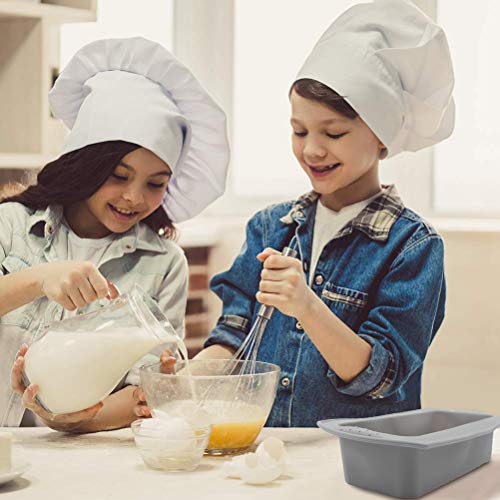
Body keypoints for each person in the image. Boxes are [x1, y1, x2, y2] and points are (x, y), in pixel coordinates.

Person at [136, 0, 454, 426]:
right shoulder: (270, 228)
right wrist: (178, 389)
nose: (311, 149)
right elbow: (233, 340)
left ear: (382, 136)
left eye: (333, 132)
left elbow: (379, 377)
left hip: (355, 462)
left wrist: (307, 305)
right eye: (299, 129)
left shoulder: (411, 247)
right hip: (267, 453)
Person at [3, 37, 229, 432]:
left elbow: (152, 388)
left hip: (79, 458)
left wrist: (73, 421)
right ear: (85, 165)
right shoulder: (12, 225)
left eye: (156, 184)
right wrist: (40, 278)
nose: (134, 198)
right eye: (119, 176)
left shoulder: (162, 263)